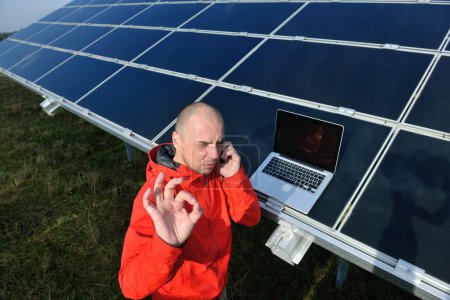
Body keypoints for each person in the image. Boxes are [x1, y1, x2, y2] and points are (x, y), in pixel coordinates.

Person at [119, 102, 261, 299]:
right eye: (203, 144)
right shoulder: (155, 196)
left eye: (219, 142)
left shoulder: (214, 172)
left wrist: (234, 176)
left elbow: (250, 218)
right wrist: (167, 244)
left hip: (217, 288)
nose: (214, 154)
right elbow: (130, 286)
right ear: (177, 140)